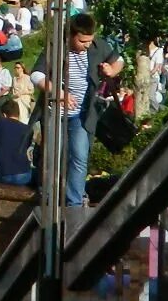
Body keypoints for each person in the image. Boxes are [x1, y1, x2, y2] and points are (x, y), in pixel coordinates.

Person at [31, 13, 126, 208]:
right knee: (53, 158)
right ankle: (49, 198)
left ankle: (74, 201)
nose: (87, 45)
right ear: (71, 36)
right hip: (55, 113)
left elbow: (119, 60)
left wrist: (112, 70)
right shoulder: (55, 48)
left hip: (82, 114)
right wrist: (59, 93)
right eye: (83, 41)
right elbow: (36, 75)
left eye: (90, 41)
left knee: (80, 156)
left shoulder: (98, 46)